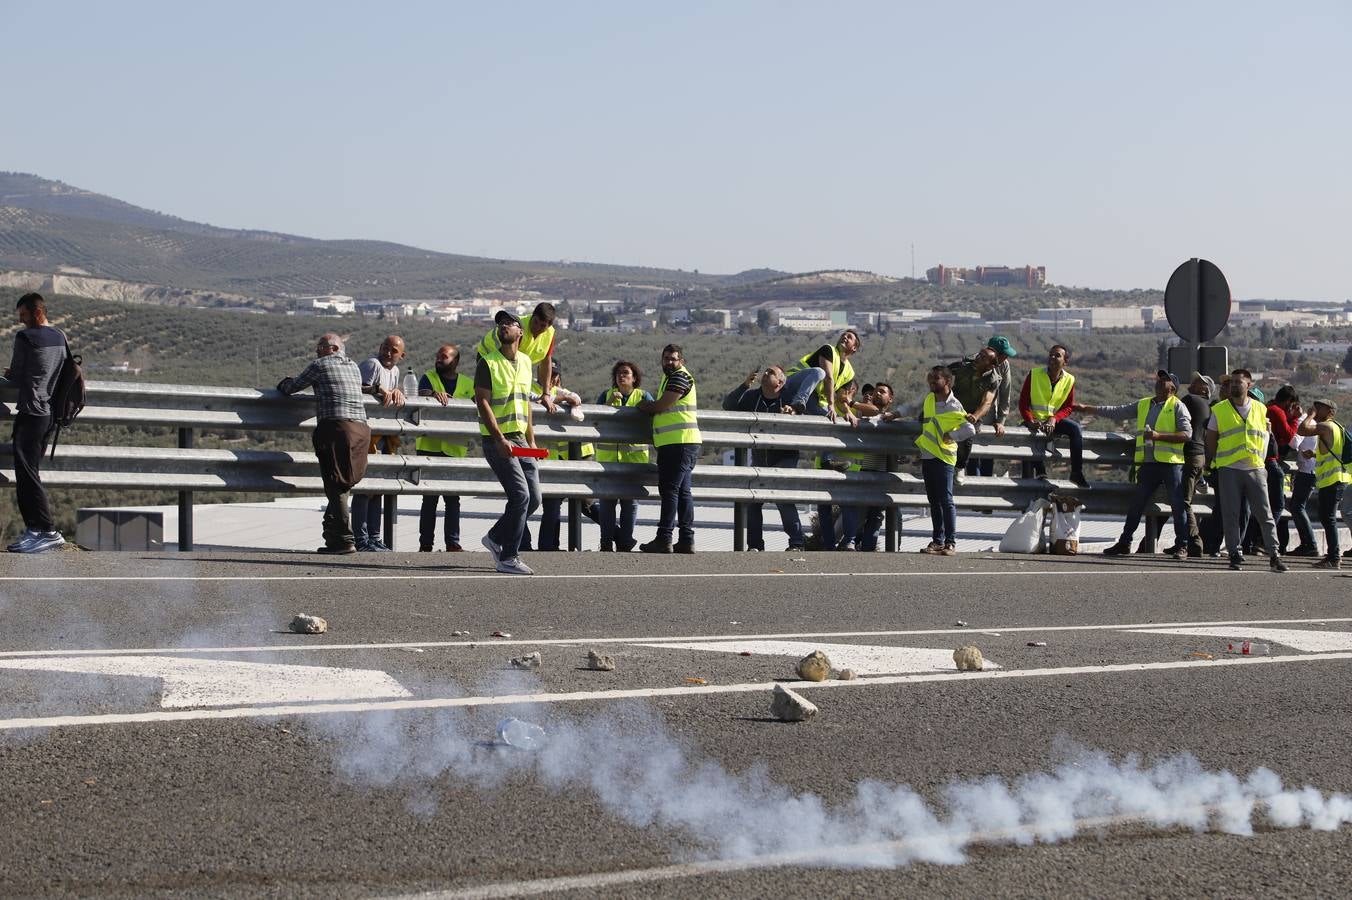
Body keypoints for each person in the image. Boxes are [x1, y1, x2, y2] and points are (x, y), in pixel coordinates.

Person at [1076, 371, 1192, 558]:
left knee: (1178, 506)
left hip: (1171, 465)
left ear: (1173, 388)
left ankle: (1182, 545)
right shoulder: (1144, 404)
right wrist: (1087, 408)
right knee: (1136, 504)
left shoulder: (1178, 406)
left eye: (1165, 380)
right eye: (1159, 379)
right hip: (1148, 464)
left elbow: (1186, 435)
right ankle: (1124, 543)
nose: (1159, 381)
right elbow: (1117, 411)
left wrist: (1158, 436)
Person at [276, 333, 371, 554]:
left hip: (336, 429)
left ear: (335, 349)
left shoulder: (319, 365)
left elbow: (292, 387)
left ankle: (344, 540)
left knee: (335, 483)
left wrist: (284, 382)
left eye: (321, 347)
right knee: (343, 484)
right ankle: (333, 535)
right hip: (361, 430)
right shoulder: (354, 367)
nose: (317, 351)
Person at [474, 311, 540, 575]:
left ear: (520, 332)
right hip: (498, 440)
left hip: (521, 438)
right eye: (500, 324)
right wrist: (499, 438)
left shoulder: (525, 362)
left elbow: (525, 401)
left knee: (533, 498)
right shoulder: (487, 363)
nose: (503, 326)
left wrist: (532, 440)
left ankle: (495, 537)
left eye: (509, 323)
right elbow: (483, 402)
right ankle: (508, 557)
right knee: (520, 495)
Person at [4, 292, 69, 553]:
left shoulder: (26, 337)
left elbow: (17, 375)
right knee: (31, 471)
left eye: (23, 316)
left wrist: (12, 373)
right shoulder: (60, 336)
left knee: (27, 474)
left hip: (31, 411)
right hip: (49, 414)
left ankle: (44, 530)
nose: (21, 322)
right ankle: (39, 530)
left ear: (36, 312)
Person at [1205, 369, 1286, 572]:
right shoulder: (1220, 409)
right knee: (1231, 514)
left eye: (1238, 382)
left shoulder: (1260, 409)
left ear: (1249, 385)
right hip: (1229, 468)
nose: (1234, 385)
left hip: (1255, 467)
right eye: (1232, 382)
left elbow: (1266, 436)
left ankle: (1274, 554)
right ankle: (1234, 553)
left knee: (1265, 513)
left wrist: (1262, 461)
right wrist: (1215, 462)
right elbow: (1211, 439)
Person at [730, 365, 806, 551]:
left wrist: (794, 411)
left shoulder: (789, 398)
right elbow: (729, 406)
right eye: (765, 371)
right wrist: (745, 385)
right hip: (759, 457)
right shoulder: (752, 397)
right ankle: (755, 546)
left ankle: (797, 543)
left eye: (771, 373)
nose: (765, 374)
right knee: (754, 500)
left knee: (783, 497)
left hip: (785, 457)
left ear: (780, 382)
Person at [638, 344, 701, 553]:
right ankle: (686, 539)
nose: (669, 362)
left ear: (681, 361)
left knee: (670, 491)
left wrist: (644, 406)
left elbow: (661, 406)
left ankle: (664, 537)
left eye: (673, 359)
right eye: (666, 358)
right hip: (680, 443)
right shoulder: (671, 377)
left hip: (679, 443)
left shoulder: (679, 377)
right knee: (683, 492)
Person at [415, 343, 475, 552]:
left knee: (452, 499)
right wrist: (432, 394)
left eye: (445, 357)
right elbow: (421, 393)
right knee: (429, 499)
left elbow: (477, 404)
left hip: (455, 450)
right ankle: (426, 544)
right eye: (438, 356)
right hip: (429, 447)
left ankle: (452, 542)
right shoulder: (428, 377)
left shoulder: (468, 383)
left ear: (455, 361)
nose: (439, 359)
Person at [528, 360, 593, 552]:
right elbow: (531, 400)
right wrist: (558, 400)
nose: (552, 377)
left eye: (555, 374)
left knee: (559, 505)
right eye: (549, 373)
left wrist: (568, 399)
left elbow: (575, 399)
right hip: (538, 454)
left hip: (560, 458)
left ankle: (549, 546)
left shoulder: (562, 391)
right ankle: (544, 545)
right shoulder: (529, 386)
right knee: (531, 501)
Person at [351, 335, 406, 551]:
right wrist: (377, 389)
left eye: (393, 350)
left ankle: (374, 537)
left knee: (377, 488)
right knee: (364, 488)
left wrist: (397, 391)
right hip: (365, 433)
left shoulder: (395, 371)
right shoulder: (372, 365)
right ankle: (361, 539)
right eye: (385, 348)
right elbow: (356, 390)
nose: (388, 353)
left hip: (381, 436)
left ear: (402, 355)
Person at [915, 366, 975, 555]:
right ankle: (937, 541)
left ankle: (950, 543)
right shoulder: (929, 399)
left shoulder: (954, 405)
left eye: (936, 378)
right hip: (928, 455)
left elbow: (970, 429)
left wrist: (952, 435)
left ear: (947, 382)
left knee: (946, 500)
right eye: (930, 377)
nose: (931, 381)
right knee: (933, 501)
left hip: (944, 458)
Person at [595, 360, 652, 552]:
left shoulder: (643, 396)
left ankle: (626, 541)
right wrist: (609, 405)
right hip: (608, 461)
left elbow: (652, 419)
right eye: (619, 373)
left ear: (634, 378)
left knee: (629, 504)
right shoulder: (606, 395)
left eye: (626, 373)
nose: (622, 376)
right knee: (607, 504)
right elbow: (596, 421)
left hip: (633, 461)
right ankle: (606, 542)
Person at [1019, 344, 1087, 486]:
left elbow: (1068, 407)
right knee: (1031, 434)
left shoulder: (1070, 379)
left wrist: (1054, 418)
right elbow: (1023, 404)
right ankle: (1040, 473)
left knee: (1075, 429)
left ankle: (1076, 473)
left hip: (1052, 422)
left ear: (1065, 361)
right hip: (1033, 421)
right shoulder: (1034, 374)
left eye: (1057, 355)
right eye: (1051, 354)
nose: (1052, 357)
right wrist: (1031, 420)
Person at [1295, 400, 1350, 569]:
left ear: (1330, 411)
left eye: (1320, 407)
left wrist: (1309, 415)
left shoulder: (1327, 426)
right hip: (1336, 479)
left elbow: (1301, 430)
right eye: (1315, 406)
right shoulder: (1337, 428)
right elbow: (1332, 453)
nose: (1316, 409)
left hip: (1333, 480)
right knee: (1327, 518)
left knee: (1329, 518)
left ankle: (1334, 557)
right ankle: (1333, 556)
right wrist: (1315, 454)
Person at [478, 304, 558, 413]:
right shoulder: (518, 329)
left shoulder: (550, 334)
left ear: (549, 326)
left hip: (510, 361)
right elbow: (506, 362)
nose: (537, 327)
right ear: (532, 316)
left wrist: (546, 394)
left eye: (542, 326)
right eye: (535, 322)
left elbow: (545, 362)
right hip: (487, 356)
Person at [781, 330, 861, 422]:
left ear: (854, 348)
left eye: (849, 337)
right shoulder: (828, 350)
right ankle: (797, 403)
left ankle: (798, 407)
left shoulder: (849, 373)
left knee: (833, 419)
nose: (845, 337)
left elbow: (841, 398)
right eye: (843, 335)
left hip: (812, 397)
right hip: (792, 384)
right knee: (819, 372)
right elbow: (828, 378)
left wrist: (848, 412)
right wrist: (831, 404)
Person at [1178, 372, 1216, 558]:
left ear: (1204, 389)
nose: (1192, 383)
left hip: (1190, 455)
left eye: (1198, 381)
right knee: (1185, 499)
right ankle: (1183, 539)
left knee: (1184, 501)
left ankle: (1194, 540)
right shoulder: (1207, 407)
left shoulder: (1190, 400)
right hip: (1200, 456)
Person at [948, 346, 1002, 478]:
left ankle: (960, 466)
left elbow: (987, 402)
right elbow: (942, 374)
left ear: (990, 366)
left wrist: (975, 416)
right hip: (952, 408)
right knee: (924, 419)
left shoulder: (993, 379)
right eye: (979, 354)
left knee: (968, 432)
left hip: (972, 412)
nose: (978, 358)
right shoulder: (963, 367)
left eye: (983, 358)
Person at [970, 336, 1018, 477]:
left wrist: (1000, 421)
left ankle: (985, 490)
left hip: (989, 417)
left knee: (986, 456)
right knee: (972, 457)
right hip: (971, 416)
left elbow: (1005, 393)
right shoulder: (973, 363)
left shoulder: (1004, 365)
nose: (1005, 358)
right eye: (1003, 355)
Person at [1281, 402, 1320, 557]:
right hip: (1310, 470)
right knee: (1298, 506)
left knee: (1297, 507)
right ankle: (1307, 544)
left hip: (1306, 471)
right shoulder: (1314, 422)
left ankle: (1310, 544)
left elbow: (1294, 442)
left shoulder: (1305, 420)